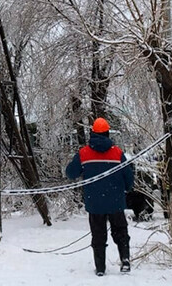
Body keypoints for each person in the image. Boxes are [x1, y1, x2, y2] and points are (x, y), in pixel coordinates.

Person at [66, 117, 134, 276]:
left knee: (98, 235)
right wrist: (126, 189)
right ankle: (125, 260)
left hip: (95, 203)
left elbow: (70, 173)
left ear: (93, 133)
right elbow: (128, 177)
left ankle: (101, 268)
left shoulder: (84, 153)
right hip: (115, 202)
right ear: (108, 133)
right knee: (121, 232)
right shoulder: (117, 153)